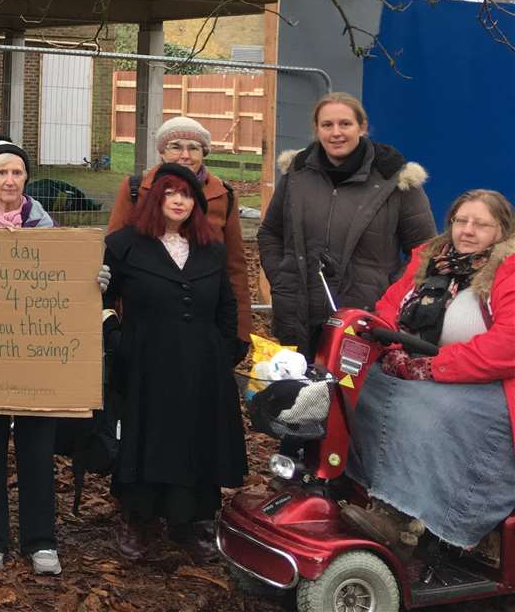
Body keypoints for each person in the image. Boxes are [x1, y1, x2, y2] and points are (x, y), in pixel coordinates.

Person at [342, 190, 515, 555]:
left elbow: (508, 344)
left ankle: (400, 514)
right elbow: (389, 307)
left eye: (481, 224)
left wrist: (433, 366)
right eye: (461, 221)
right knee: (352, 388)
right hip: (417, 370)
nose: (467, 231)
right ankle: (342, 482)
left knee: (420, 409)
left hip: (490, 384)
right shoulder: (430, 259)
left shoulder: (508, 268)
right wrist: (392, 350)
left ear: (501, 230)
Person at [103, 163, 247, 562]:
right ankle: (138, 519)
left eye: (186, 195)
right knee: (147, 438)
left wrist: (223, 347)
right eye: (170, 193)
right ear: (156, 199)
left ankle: (189, 522)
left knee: (195, 439)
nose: (179, 201)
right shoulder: (125, 246)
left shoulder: (210, 250)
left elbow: (226, 303)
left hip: (202, 366)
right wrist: (116, 337)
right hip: (147, 363)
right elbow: (99, 297)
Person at [258, 92, 436, 354]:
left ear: (362, 127)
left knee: (355, 394)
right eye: (327, 125)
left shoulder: (395, 181)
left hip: (365, 318)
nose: (336, 133)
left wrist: (390, 296)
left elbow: (425, 251)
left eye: (345, 124)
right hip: (298, 314)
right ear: (316, 129)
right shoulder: (297, 174)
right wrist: (283, 279)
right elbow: (271, 233)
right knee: (303, 392)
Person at [0, 138, 63, 574]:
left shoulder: (49, 230)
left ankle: (41, 541)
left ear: (26, 179)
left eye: (17, 172)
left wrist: (90, 277)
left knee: (37, 448)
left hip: (35, 359)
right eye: (1, 172)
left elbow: (65, 288)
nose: (9, 180)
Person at [107, 116, 253, 349]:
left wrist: (240, 331)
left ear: (203, 152)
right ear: (162, 152)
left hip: (205, 322)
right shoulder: (136, 189)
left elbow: (235, 266)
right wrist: (112, 331)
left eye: (193, 148)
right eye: (176, 147)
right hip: (145, 323)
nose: (185, 155)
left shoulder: (223, 195)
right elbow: (112, 258)